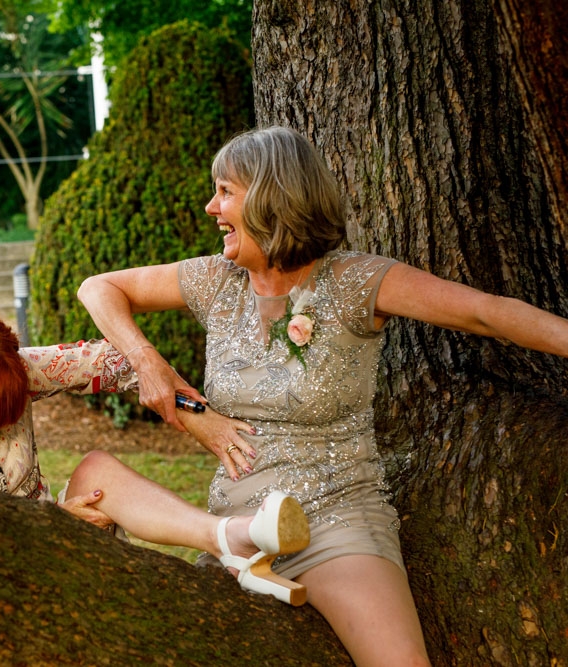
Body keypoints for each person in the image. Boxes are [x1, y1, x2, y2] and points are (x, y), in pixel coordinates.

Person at [75, 125, 568, 666]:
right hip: (233, 524)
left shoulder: (353, 281)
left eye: (225, 191)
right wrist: (152, 365)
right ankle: (230, 541)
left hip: (333, 520)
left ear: (270, 197)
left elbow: (487, 312)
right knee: (94, 475)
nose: (211, 206)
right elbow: (98, 287)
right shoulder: (214, 280)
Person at [0, 311, 313, 606]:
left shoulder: (16, 371)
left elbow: (121, 363)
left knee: (96, 468)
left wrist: (199, 417)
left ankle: (230, 540)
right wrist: (55, 521)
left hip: (64, 541)